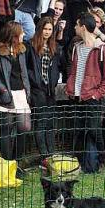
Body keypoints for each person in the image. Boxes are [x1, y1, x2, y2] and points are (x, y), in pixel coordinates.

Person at [65, 13, 105, 173]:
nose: (74, 27)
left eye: (77, 24)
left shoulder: (102, 49)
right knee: (78, 131)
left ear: (83, 27)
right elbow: (73, 71)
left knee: (94, 130)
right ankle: (78, 164)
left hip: (92, 97)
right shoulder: (76, 47)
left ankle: (99, 161)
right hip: (76, 96)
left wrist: (97, 95)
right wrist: (71, 88)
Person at [0, 21, 31, 176]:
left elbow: (24, 73)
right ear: (14, 35)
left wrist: (27, 91)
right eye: (21, 32)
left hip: (20, 93)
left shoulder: (22, 50)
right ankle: (7, 166)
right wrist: (2, 88)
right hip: (3, 94)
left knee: (24, 128)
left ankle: (17, 163)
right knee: (6, 128)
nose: (24, 35)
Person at [26, 16, 62, 160]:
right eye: (45, 29)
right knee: (40, 122)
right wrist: (35, 80)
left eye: (49, 29)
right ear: (39, 29)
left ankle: (51, 154)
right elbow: (27, 67)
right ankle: (44, 156)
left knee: (50, 123)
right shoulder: (31, 45)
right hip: (37, 89)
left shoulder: (55, 47)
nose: (47, 32)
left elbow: (58, 67)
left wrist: (52, 83)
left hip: (50, 89)